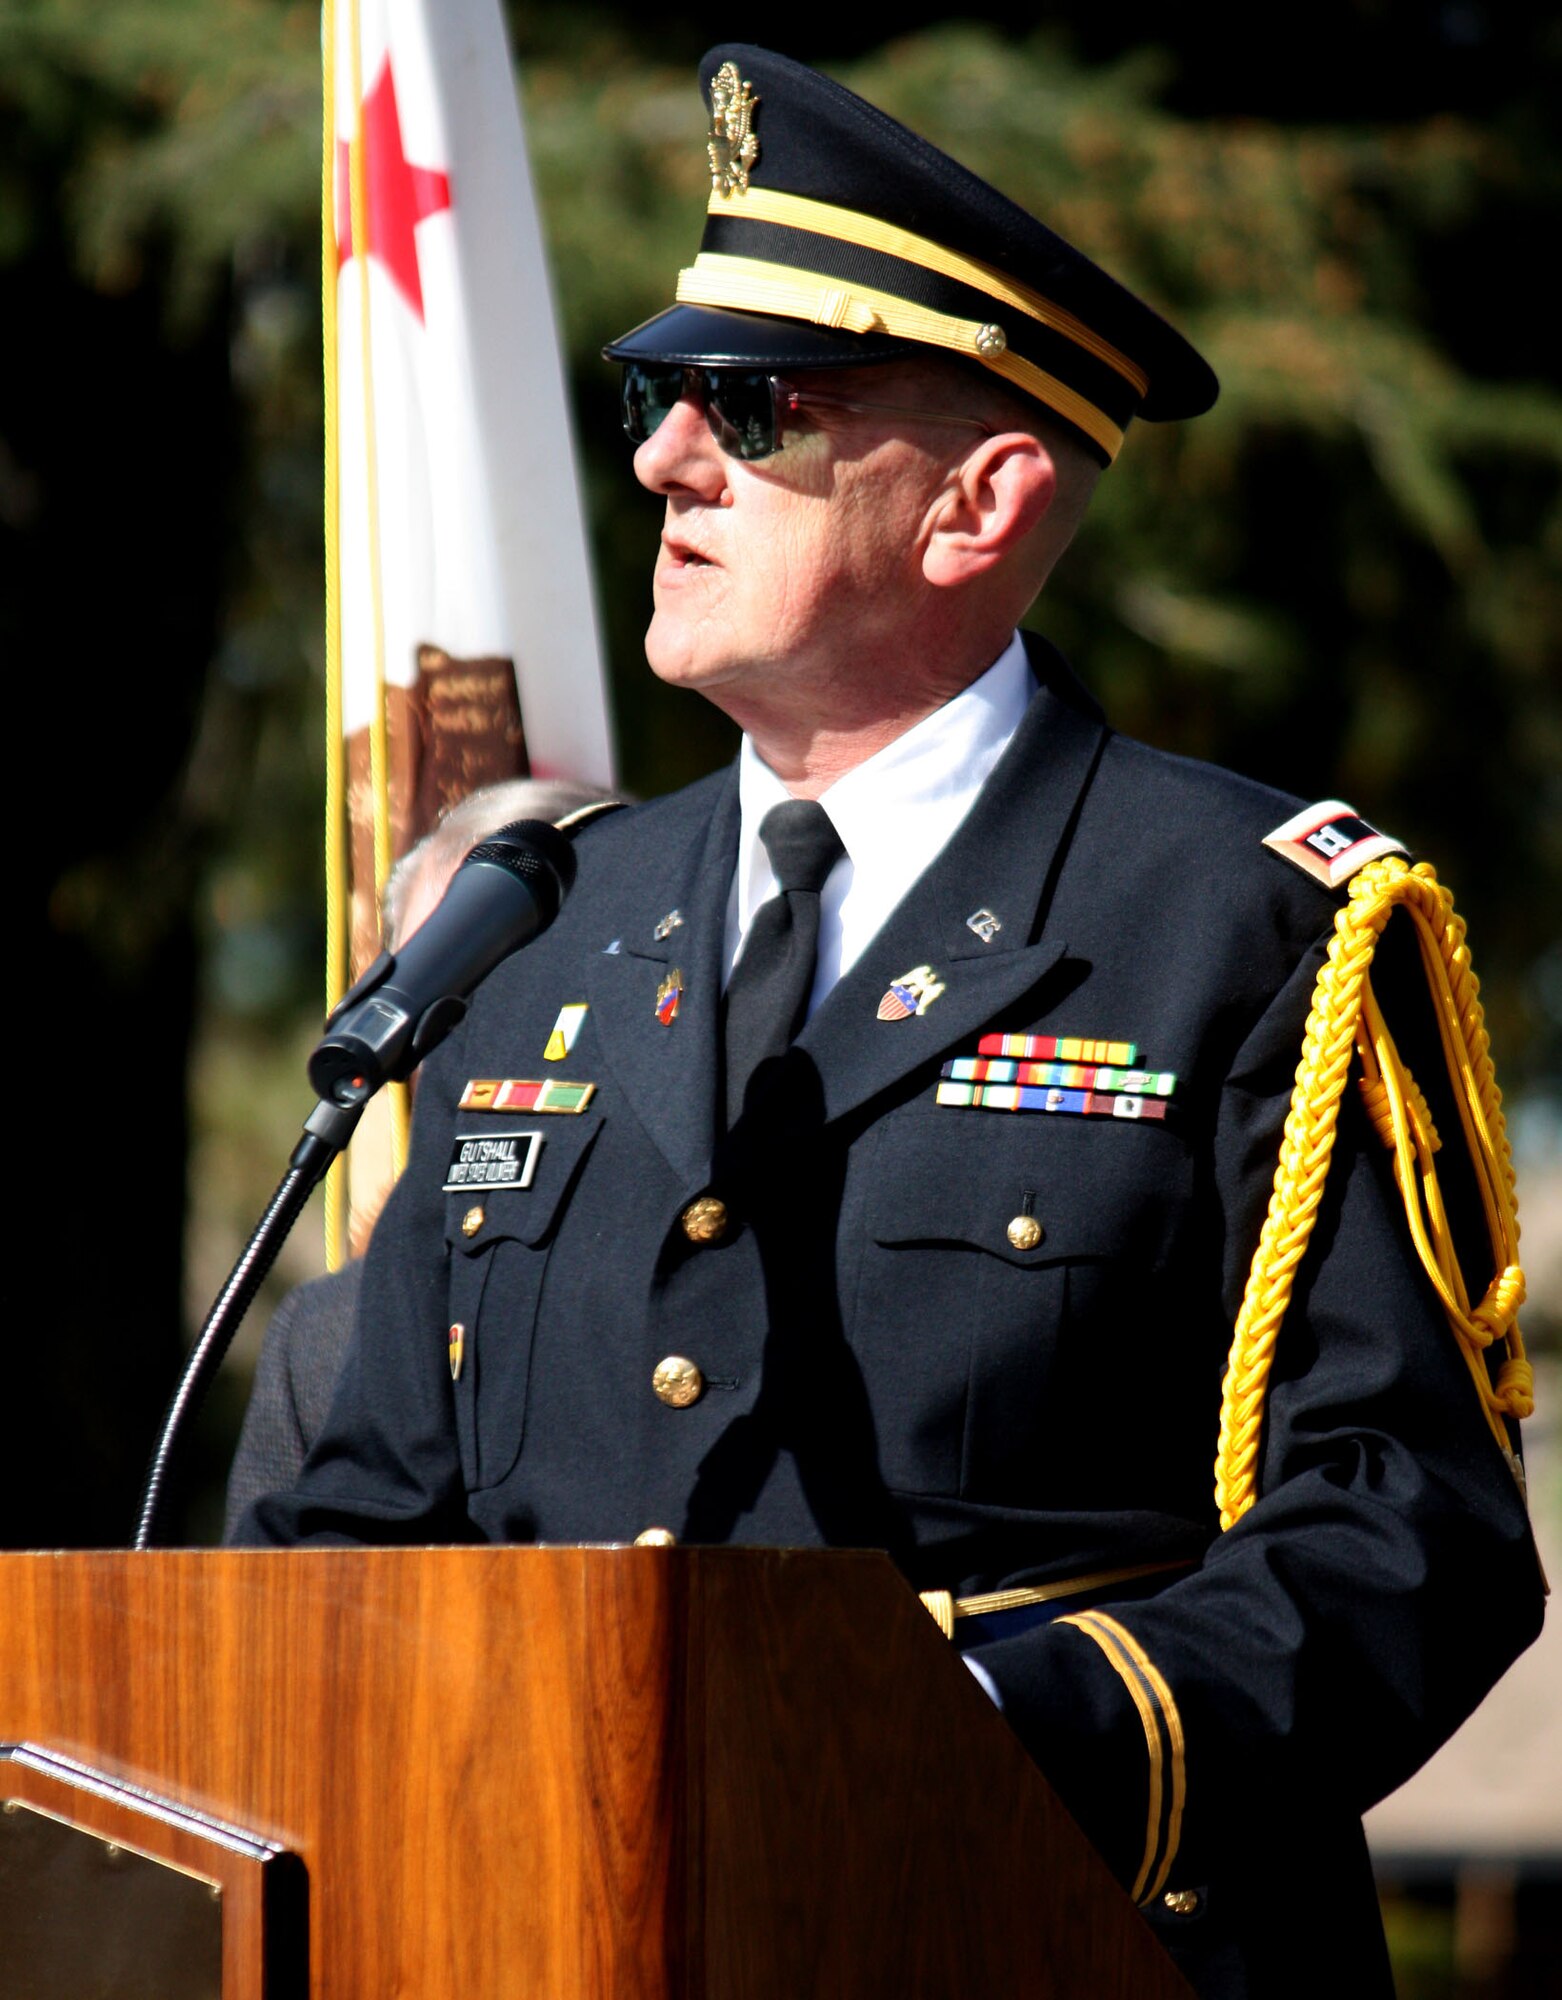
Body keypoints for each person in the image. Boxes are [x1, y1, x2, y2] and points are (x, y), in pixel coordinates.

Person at [236, 47, 1544, 1998]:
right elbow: (346, 1507)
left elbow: (1407, 1534)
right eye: (652, 398)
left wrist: (992, 1740)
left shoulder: (1250, 924)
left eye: (746, 409)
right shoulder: (542, 918)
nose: (666, 460)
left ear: (979, 501)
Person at [222, 777, 613, 1534]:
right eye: (452, 992)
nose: (482, 1044)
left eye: (529, 992)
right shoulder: (327, 1340)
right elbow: (262, 1634)